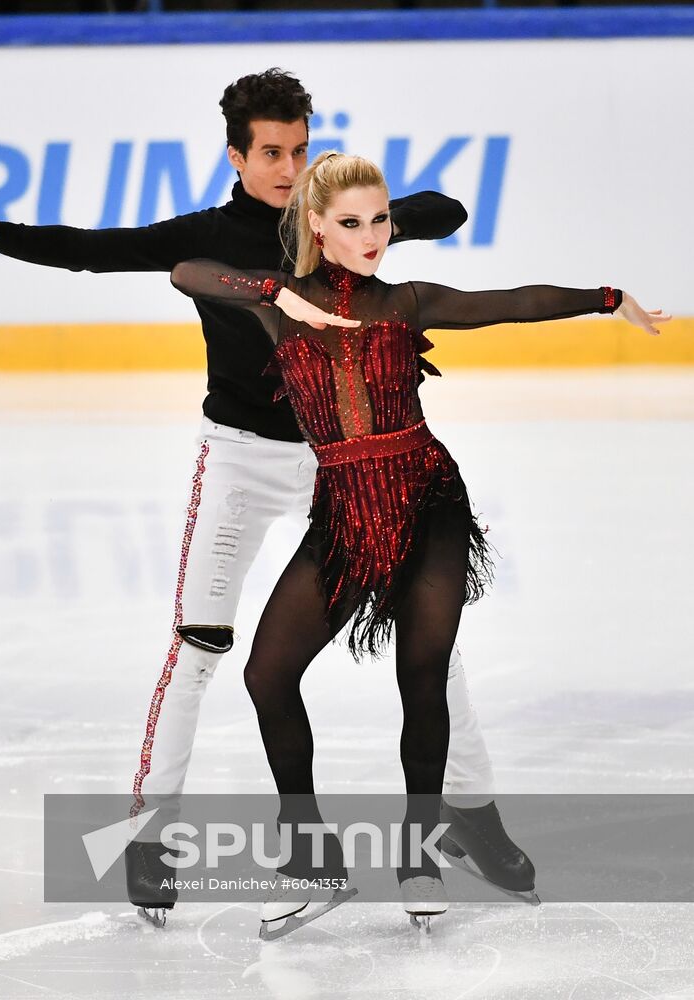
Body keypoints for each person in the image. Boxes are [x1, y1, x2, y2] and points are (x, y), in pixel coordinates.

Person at [0, 68, 532, 923]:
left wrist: (390, 217)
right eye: (271, 152)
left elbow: (447, 210)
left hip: (350, 467)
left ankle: (467, 814)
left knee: (428, 642)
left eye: (300, 150)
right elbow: (94, 248)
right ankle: (152, 834)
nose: (287, 165)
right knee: (198, 646)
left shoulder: (335, 224)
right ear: (235, 155)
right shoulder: (207, 235)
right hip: (238, 459)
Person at [168, 150, 668, 935]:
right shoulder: (276, 305)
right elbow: (187, 271)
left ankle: (418, 852)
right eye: (351, 222)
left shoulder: (402, 302)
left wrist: (606, 298)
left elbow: (512, 301)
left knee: (423, 679)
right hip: (342, 511)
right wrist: (274, 294)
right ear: (315, 226)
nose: (370, 236)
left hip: (426, 501)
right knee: (268, 673)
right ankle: (309, 856)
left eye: (380, 220)